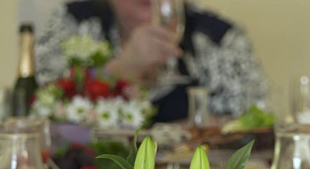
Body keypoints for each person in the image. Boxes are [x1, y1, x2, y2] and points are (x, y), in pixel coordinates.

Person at [35, 0, 267, 123]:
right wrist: (123, 68)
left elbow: (255, 123)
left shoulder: (219, 38)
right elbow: (41, 110)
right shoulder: (72, 23)